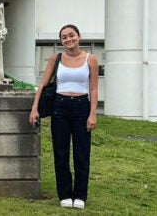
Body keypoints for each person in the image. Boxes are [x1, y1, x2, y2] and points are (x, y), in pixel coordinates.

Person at [29, 24, 99, 210]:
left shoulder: (90, 60)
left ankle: (80, 195)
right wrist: (35, 108)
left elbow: (93, 89)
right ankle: (65, 194)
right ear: (61, 41)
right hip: (60, 107)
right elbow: (42, 85)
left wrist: (92, 114)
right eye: (64, 37)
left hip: (82, 107)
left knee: (82, 153)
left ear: (78, 36)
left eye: (71, 35)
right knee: (61, 152)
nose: (68, 39)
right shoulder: (56, 58)